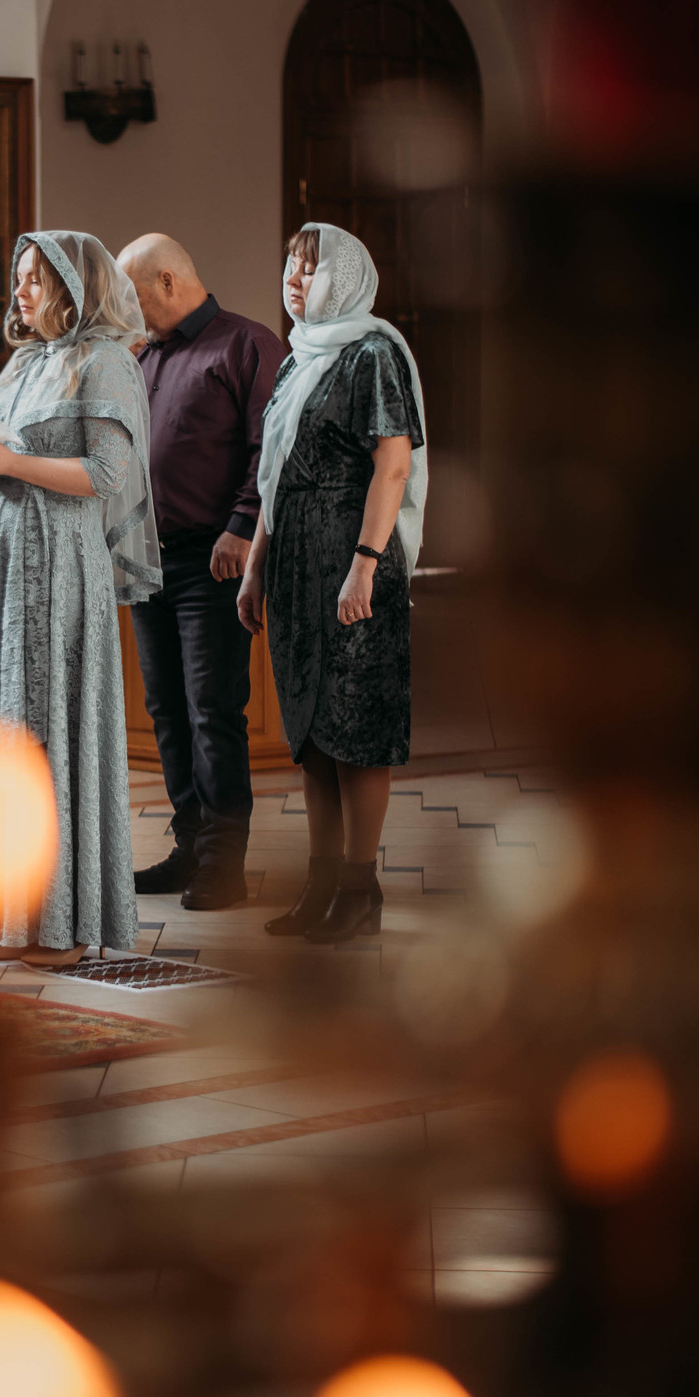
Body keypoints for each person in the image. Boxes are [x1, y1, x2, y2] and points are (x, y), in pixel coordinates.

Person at [0, 231, 159, 966]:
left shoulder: (103, 359)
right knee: (13, 724)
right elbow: (14, 452)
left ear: (75, 288)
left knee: (50, 724)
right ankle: (25, 914)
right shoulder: (27, 361)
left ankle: (66, 925)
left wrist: (14, 462)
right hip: (10, 549)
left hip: (62, 556)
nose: (20, 292)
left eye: (35, 279)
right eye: (18, 279)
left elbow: (107, 473)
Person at [240, 223, 428, 945]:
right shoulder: (299, 358)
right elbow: (275, 473)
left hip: (354, 559)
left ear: (345, 278)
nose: (294, 278)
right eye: (289, 263)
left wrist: (364, 562)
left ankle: (359, 888)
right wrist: (256, 566)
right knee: (311, 734)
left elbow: (393, 465)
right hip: (294, 563)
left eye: (310, 268)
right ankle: (319, 886)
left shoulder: (372, 353)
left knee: (358, 732)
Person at [114, 234, 285, 911]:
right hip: (147, 556)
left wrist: (242, 527)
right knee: (165, 711)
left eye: (130, 292)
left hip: (210, 558)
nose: (124, 307)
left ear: (165, 280)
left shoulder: (246, 344)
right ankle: (190, 846)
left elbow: (266, 448)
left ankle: (224, 863)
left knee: (213, 710)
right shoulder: (142, 355)